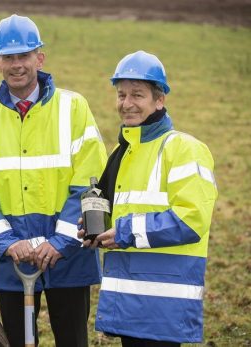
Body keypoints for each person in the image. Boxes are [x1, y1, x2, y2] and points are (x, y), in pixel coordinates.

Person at [0, 14, 107, 346]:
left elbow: (91, 184)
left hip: (68, 256)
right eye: (8, 57)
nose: (17, 65)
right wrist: (9, 243)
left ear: (39, 58)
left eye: (23, 56)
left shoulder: (74, 108)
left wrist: (61, 242)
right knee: (18, 340)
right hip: (15, 259)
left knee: (72, 339)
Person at [79, 50, 218, 346]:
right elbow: (119, 214)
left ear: (160, 99)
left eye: (137, 95)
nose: (126, 104)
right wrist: (95, 232)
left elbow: (192, 219)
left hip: (162, 305)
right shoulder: (123, 152)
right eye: (121, 95)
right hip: (129, 301)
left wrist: (125, 231)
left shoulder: (183, 149)